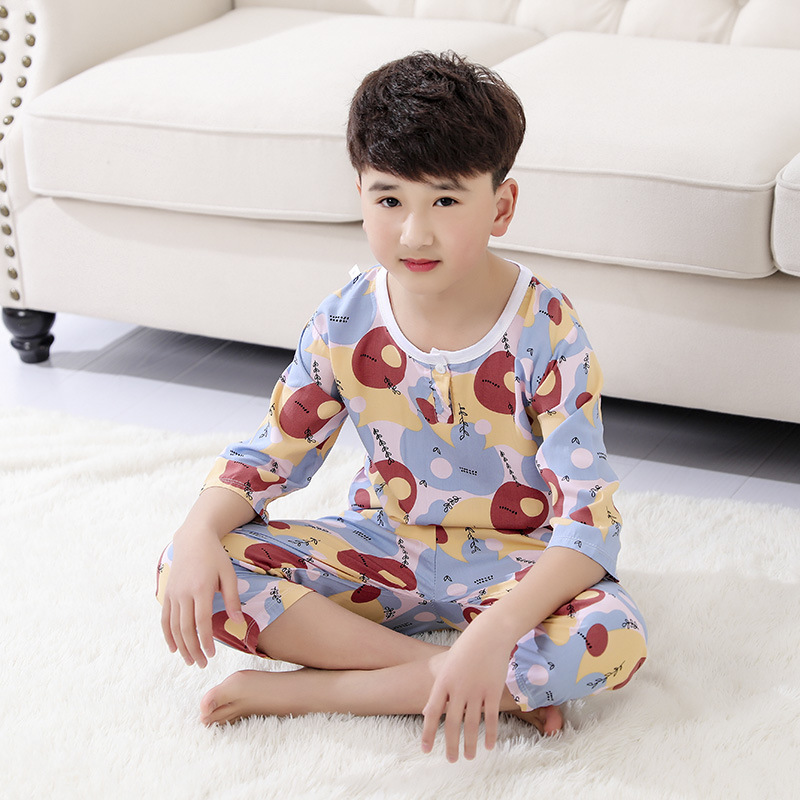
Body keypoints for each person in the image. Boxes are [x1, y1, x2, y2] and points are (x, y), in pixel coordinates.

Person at [156, 51, 648, 763]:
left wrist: (495, 631)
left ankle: (319, 692)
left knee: (617, 638)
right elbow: (271, 455)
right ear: (358, 193)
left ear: (501, 206)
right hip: (385, 549)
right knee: (191, 564)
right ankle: (447, 678)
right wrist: (199, 531)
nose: (415, 233)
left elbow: (590, 520)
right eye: (389, 200)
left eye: (445, 201)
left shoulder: (547, 327)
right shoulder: (344, 320)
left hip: (519, 563)